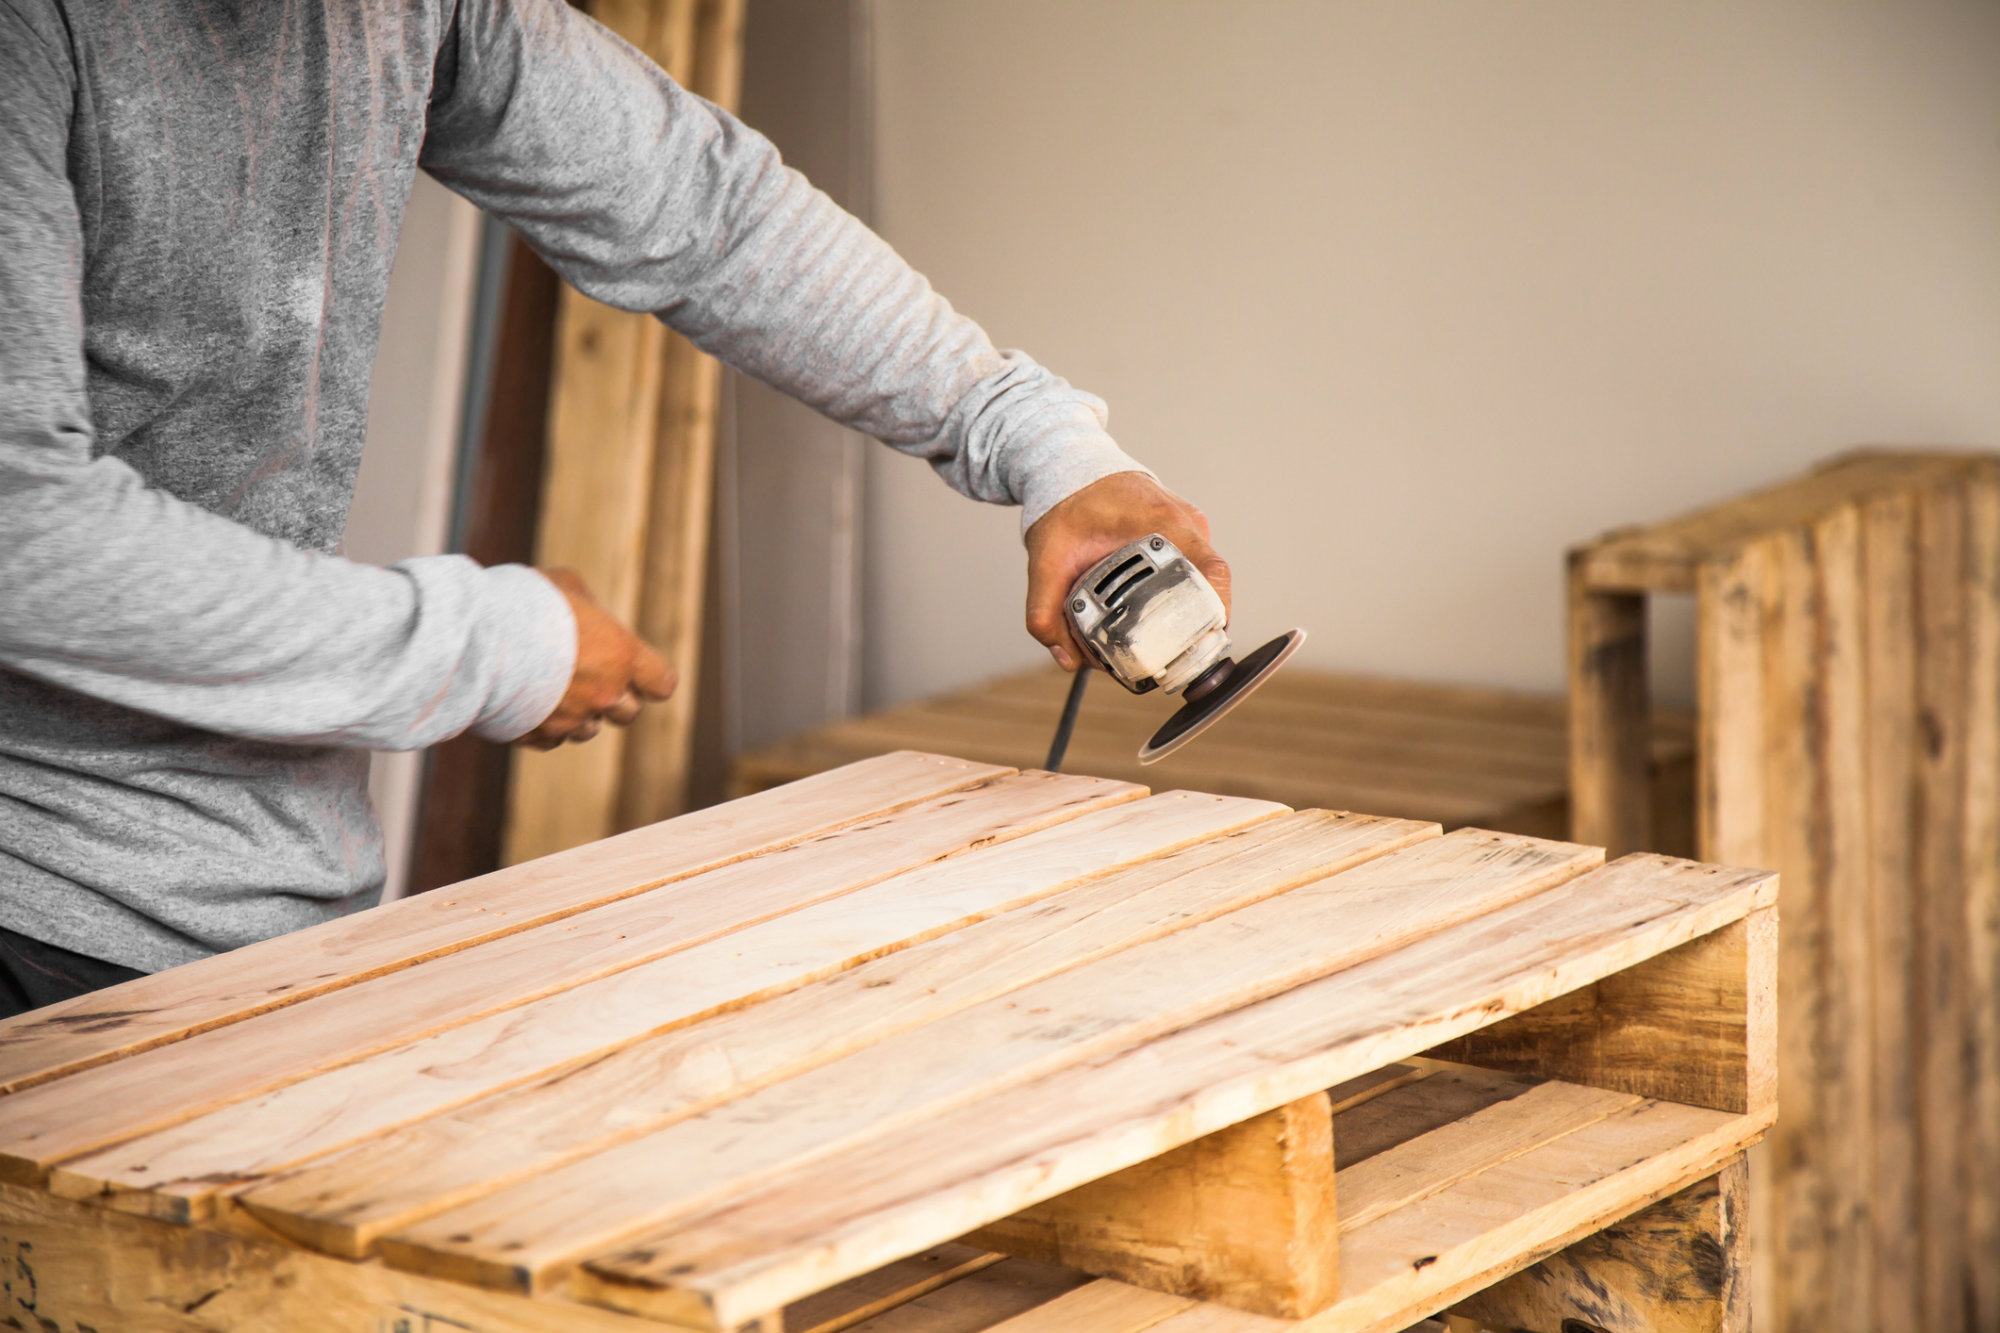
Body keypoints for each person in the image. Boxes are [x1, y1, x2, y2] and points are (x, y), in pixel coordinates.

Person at [0, 0, 1231, 1017]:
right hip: (35, 895)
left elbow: (707, 214)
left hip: (253, 890)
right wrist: (493, 645)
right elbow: (22, 527)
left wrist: (1038, 441)